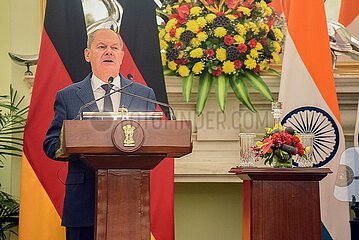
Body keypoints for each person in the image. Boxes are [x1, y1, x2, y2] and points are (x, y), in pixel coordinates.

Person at [43, 28, 156, 240]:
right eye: (101, 47)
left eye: (114, 48)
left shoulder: (144, 95)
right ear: (88, 54)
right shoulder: (68, 96)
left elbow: (153, 138)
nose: (109, 52)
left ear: (122, 56)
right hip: (83, 203)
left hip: (130, 200)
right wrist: (74, 139)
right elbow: (50, 144)